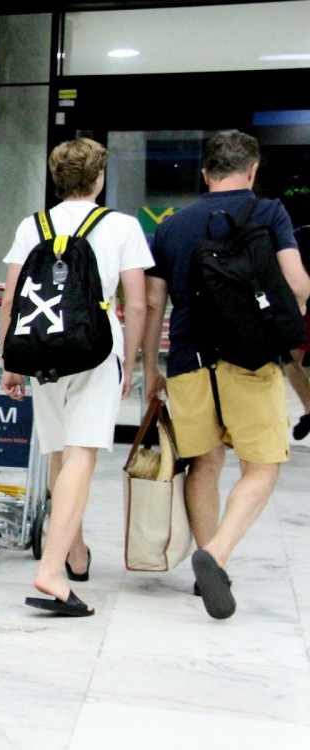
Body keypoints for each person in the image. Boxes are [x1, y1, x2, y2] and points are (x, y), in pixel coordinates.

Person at [143, 130, 310, 620]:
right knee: (261, 466)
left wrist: (151, 366)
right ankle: (215, 555)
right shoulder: (269, 212)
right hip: (250, 360)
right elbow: (297, 283)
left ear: (204, 173)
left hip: (189, 363)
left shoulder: (172, 227)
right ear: (253, 170)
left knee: (205, 464)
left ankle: (206, 566)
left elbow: (154, 304)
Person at [0, 138, 152, 617]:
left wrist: (10, 363)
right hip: (95, 349)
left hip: (42, 350)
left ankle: (74, 550)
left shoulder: (33, 225)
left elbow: (11, 302)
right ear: (100, 178)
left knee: (61, 455)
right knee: (82, 453)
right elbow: (139, 302)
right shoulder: (122, 226)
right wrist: (134, 363)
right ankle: (51, 568)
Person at [282, 225, 310, 440]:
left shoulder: (299, 236)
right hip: (302, 309)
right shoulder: (300, 236)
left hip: (302, 308)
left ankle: (309, 408)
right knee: (290, 359)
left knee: (290, 359)